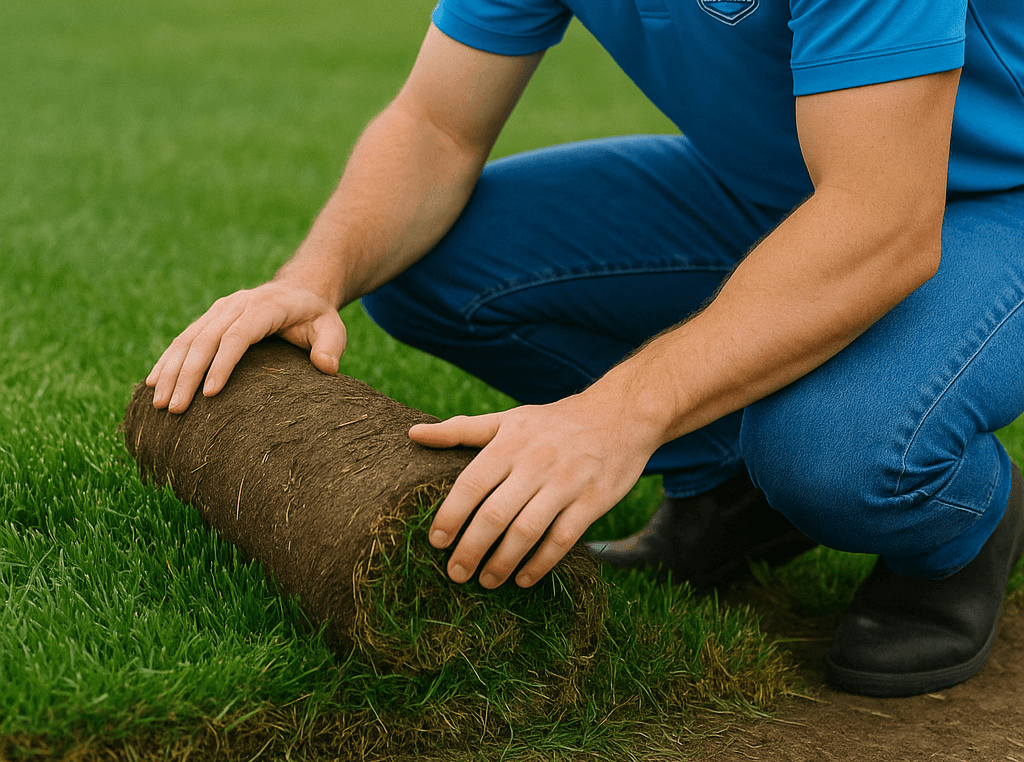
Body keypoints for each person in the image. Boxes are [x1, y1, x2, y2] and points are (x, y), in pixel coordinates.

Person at [146, 0, 1024, 698]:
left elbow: (881, 219)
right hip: (789, 186)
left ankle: (961, 530)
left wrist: (618, 415)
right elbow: (434, 127)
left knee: (834, 448)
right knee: (435, 265)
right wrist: (314, 278)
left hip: (986, 199)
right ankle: (732, 487)